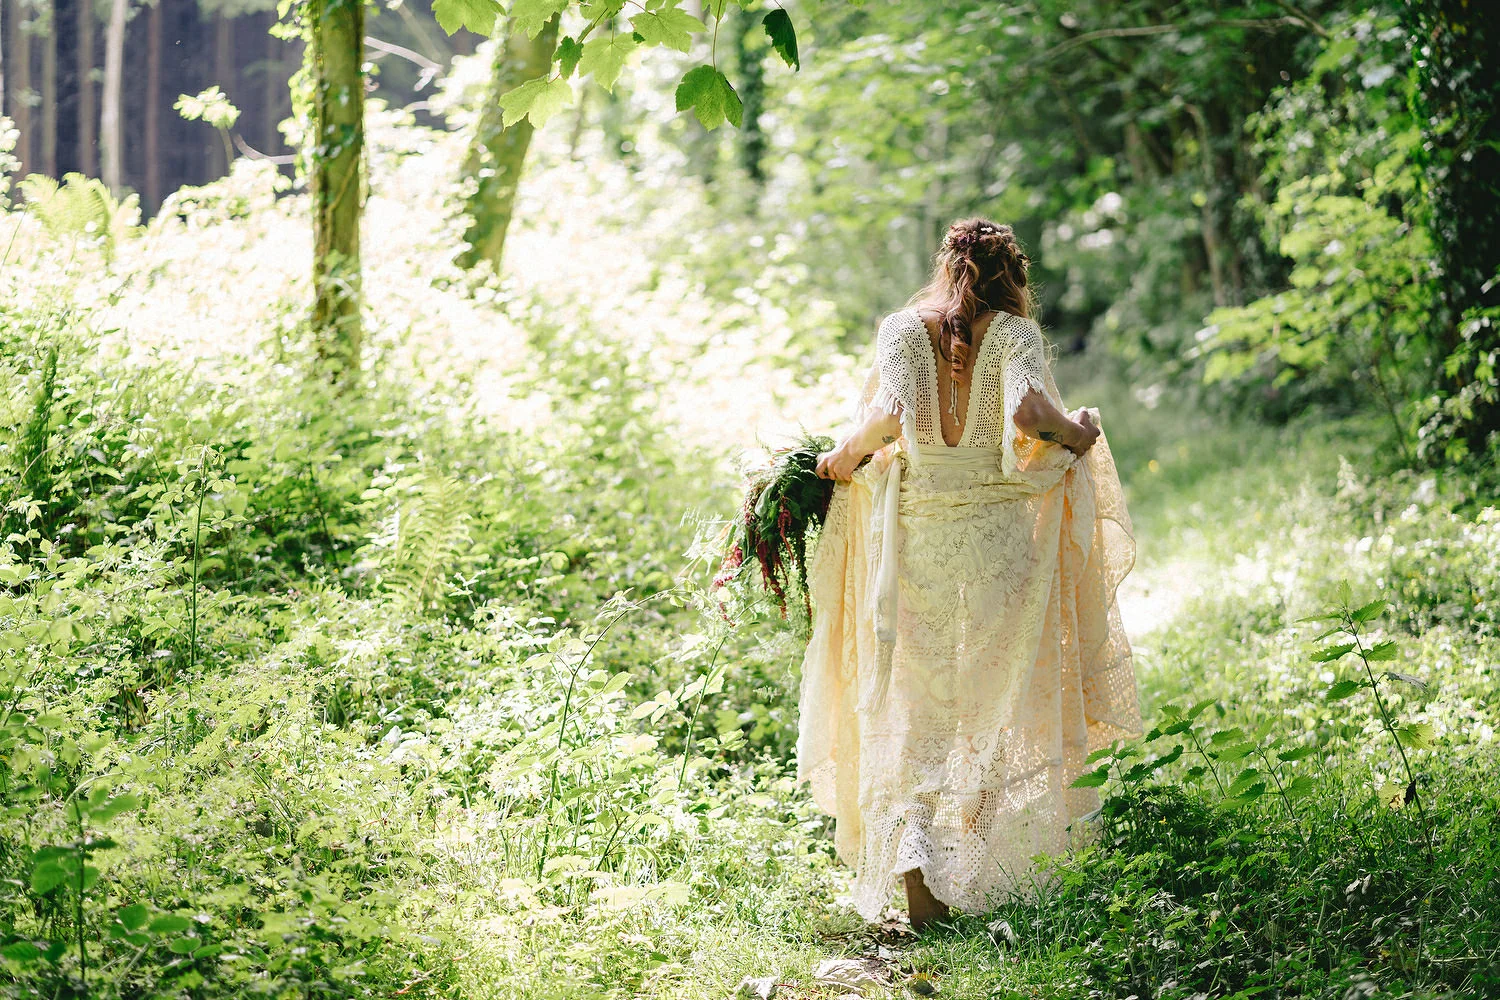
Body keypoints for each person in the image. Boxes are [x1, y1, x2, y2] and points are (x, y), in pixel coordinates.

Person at [798, 217, 1140, 929]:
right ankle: (972, 873)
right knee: (992, 702)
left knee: (915, 709)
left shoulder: (902, 330)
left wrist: (843, 456)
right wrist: (1078, 432)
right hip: (998, 547)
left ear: (945, 267)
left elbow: (888, 421)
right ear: (1011, 276)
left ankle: (922, 893)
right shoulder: (1014, 334)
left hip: (919, 546)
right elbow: (1030, 413)